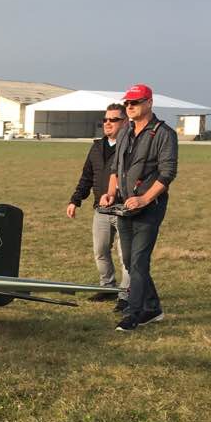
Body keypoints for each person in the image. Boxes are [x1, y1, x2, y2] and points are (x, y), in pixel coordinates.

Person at [99, 83, 178, 332]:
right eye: (127, 103)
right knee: (130, 259)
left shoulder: (164, 134)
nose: (130, 107)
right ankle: (152, 308)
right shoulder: (125, 132)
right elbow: (115, 168)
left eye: (135, 102)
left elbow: (167, 174)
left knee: (139, 261)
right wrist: (111, 193)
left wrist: (145, 199)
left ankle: (133, 313)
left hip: (149, 207)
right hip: (124, 206)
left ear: (149, 103)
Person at [65, 104, 129, 306]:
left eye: (113, 119)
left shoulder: (131, 146)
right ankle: (107, 288)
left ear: (125, 122)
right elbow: (87, 177)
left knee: (125, 254)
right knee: (101, 250)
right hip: (100, 209)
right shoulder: (96, 147)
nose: (108, 123)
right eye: (105, 120)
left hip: (125, 210)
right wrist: (75, 200)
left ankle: (126, 294)